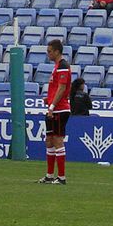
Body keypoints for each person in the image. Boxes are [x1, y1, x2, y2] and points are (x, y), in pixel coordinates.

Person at [40, 38, 73, 185]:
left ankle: (61, 177)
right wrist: (49, 100)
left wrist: (52, 105)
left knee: (58, 140)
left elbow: (62, 87)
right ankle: (49, 175)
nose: (48, 54)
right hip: (53, 108)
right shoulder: (57, 66)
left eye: (50, 51)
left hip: (59, 109)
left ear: (57, 51)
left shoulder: (63, 66)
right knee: (49, 140)